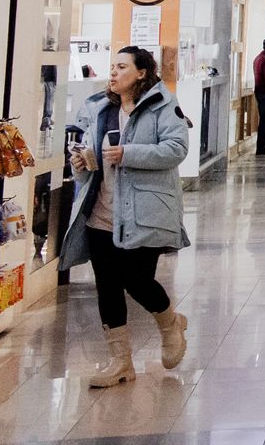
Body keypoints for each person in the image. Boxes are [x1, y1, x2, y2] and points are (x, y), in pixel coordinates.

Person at [59, 46, 191, 387]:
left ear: (141, 73)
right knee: (107, 285)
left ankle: (170, 323)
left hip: (144, 212)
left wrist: (128, 154)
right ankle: (120, 362)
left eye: (121, 67)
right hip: (101, 212)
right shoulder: (100, 109)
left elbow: (176, 149)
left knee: (137, 280)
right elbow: (92, 157)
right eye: (112, 67)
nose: (113, 73)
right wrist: (81, 162)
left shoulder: (163, 105)